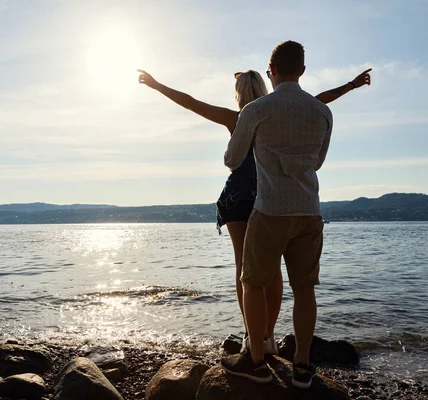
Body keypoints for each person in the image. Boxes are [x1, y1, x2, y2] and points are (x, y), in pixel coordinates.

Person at [137, 65, 371, 357]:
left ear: (238, 93)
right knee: (272, 272)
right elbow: (320, 99)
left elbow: (190, 102)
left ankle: (252, 336)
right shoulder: (276, 111)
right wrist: (350, 85)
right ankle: (268, 336)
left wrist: (158, 86)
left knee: (245, 271)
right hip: (267, 196)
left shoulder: (237, 118)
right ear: (264, 85)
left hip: (237, 197)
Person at [221, 40, 347, 389]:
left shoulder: (257, 110)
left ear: (270, 70)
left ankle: (256, 360)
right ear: (303, 71)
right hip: (309, 210)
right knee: (305, 288)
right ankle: (303, 366)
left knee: (252, 281)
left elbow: (232, 160)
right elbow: (318, 161)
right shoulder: (322, 112)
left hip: (270, 208)